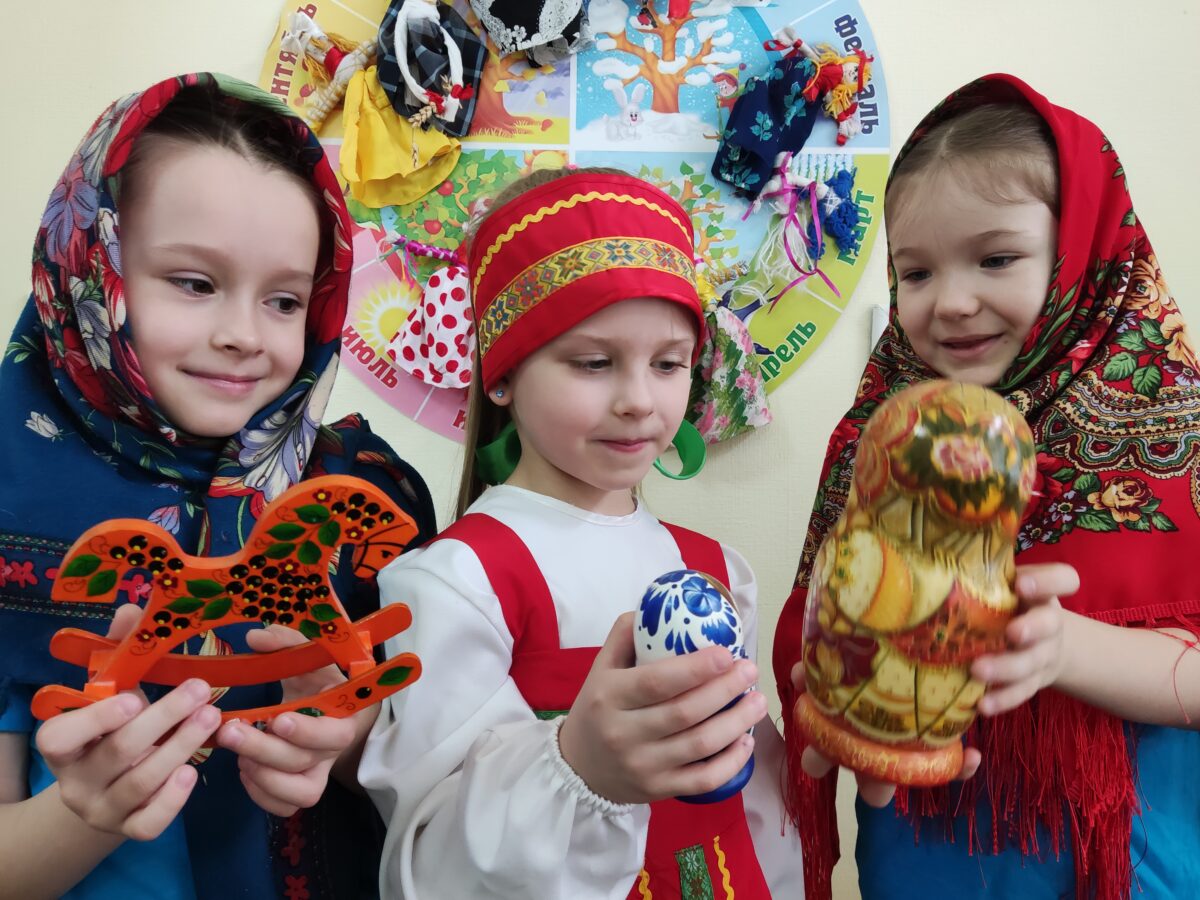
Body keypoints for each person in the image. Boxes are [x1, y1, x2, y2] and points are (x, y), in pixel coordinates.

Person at [0, 73, 436, 899]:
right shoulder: (8, 488)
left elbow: (415, 769)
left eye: (285, 300)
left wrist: (344, 738)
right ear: (90, 265)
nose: (243, 335)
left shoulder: (359, 486)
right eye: (195, 283)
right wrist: (90, 813)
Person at [773, 73, 1200, 900]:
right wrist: (848, 700)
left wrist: (1062, 647)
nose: (952, 302)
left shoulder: (1174, 423)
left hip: (1123, 859)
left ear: (1084, 249)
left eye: (996, 259)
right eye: (916, 273)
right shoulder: (879, 436)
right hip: (926, 858)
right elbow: (833, 624)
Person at [359, 167, 803, 898]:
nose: (639, 401)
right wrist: (579, 768)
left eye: (668, 363)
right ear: (502, 374)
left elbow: (760, 807)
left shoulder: (719, 571)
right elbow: (431, 862)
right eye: (594, 363)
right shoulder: (459, 581)